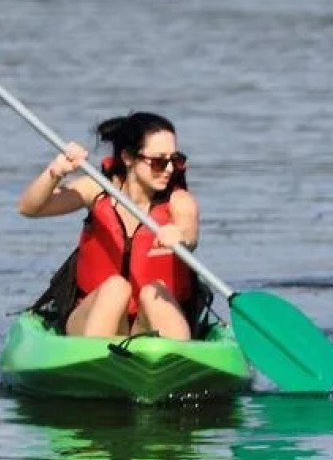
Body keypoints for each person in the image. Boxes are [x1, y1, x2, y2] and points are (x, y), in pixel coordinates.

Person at [17, 111, 202, 340]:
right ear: (128, 158)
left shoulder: (179, 201)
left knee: (154, 290)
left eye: (175, 160)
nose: (170, 169)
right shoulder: (96, 190)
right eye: (159, 161)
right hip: (91, 316)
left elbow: (189, 233)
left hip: (149, 325)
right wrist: (55, 173)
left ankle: (176, 360)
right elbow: (29, 208)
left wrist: (179, 236)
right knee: (116, 288)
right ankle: (96, 360)